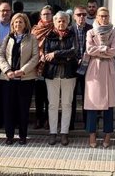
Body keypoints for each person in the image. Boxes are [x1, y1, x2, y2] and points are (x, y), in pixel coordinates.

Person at [0, 12, 39, 145]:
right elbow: (0, 56)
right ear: (12, 24)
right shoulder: (7, 38)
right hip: (8, 78)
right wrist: (7, 70)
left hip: (25, 79)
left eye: (20, 22)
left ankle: (22, 135)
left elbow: (35, 57)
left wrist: (23, 71)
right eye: (15, 22)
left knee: (23, 108)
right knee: (9, 108)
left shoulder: (32, 38)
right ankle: (9, 135)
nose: (18, 24)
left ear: (26, 24)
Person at [42, 10, 78, 146]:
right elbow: (46, 56)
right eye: (59, 21)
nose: (61, 23)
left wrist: (56, 53)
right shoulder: (49, 36)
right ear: (54, 22)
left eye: (64, 20)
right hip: (52, 74)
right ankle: (52, 133)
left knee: (67, 104)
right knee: (52, 104)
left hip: (69, 74)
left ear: (68, 22)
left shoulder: (72, 35)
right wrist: (65, 57)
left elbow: (74, 51)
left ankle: (64, 133)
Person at [84, 7, 115, 148]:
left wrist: (100, 51)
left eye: (106, 16)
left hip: (108, 69)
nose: (104, 18)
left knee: (109, 104)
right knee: (92, 104)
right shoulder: (90, 32)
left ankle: (108, 135)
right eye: (101, 16)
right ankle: (92, 135)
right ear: (97, 17)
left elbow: (114, 51)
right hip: (94, 69)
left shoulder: (113, 31)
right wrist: (105, 49)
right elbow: (89, 50)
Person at [69, 5, 92, 131]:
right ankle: (70, 125)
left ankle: (87, 124)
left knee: (87, 97)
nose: (82, 17)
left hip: (88, 67)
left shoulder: (91, 29)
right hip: (72, 67)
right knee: (70, 97)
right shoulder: (69, 30)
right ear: (74, 16)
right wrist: (75, 59)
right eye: (79, 14)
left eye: (84, 14)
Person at [31, 6, 54, 130]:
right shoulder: (35, 30)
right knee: (39, 95)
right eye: (44, 14)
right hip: (38, 65)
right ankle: (39, 118)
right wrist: (39, 55)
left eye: (48, 14)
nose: (46, 16)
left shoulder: (55, 28)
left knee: (50, 96)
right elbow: (32, 45)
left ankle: (49, 120)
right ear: (40, 16)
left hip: (51, 65)